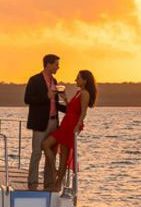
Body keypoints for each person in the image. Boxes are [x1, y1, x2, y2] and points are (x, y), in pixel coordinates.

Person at [42, 69, 97, 192]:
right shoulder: (78, 92)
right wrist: (65, 99)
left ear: (85, 80)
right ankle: (54, 171)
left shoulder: (85, 94)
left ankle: (57, 184)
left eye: (78, 78)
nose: (75, 80)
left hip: (72, 125)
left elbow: (83, 112)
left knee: (64, 156)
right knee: (45, 145)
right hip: (65, 123)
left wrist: (78, 125)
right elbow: (71, 109)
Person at [25, 54, 65, 190]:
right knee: (36, 153)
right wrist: (46, 97)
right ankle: (32, 183)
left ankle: (49, 183)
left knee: (51, 154)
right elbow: (27, 99)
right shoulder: (34, 80)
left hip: (54, 122)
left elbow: (55, 103)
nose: (58, 67)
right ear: (48, 64)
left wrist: (69, 109)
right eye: (56, 64)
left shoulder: (54, 81)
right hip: (40, 123)